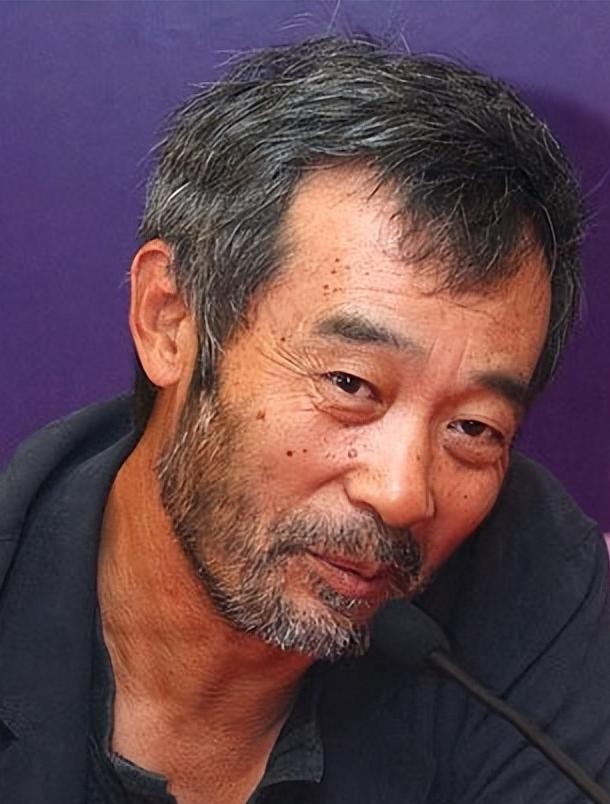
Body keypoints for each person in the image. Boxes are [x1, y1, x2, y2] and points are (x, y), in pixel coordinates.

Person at [0, 36, 609, 804]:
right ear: (171, 321)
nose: (402, 494)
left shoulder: (530, 584)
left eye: (474, 429)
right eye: (351, 384)